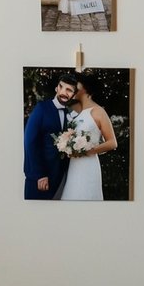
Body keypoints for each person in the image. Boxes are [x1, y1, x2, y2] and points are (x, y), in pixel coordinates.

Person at [58, 73, 117, 201]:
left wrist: (88, 151)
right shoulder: (79, 114)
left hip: (88, 166)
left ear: (85, 88)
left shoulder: (98, 111)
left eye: (76, 83)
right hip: (74, 166)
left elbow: (112, 143)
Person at [23, 74, 78, 199]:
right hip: (40, 178)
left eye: (69, 90)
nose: (64, 92)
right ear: (56, 88)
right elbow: (30, 142)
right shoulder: (41, 108)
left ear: (73, 95)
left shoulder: (70, 114)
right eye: (62, 87)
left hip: (60, 177)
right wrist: (40, 174)